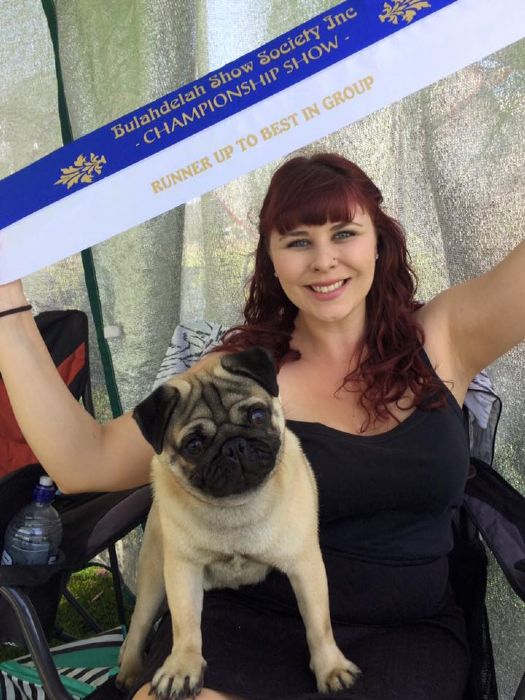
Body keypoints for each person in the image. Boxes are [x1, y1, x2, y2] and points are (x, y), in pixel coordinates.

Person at [0, 152, 523, 700]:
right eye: (297, 242)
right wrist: (8, 302)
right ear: (270, 259)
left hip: (406, 634)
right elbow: (87, 461)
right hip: (247, 623)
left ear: (379, 241)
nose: (324, 261)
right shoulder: (239, 373)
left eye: (344, 233)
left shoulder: (442, 338)